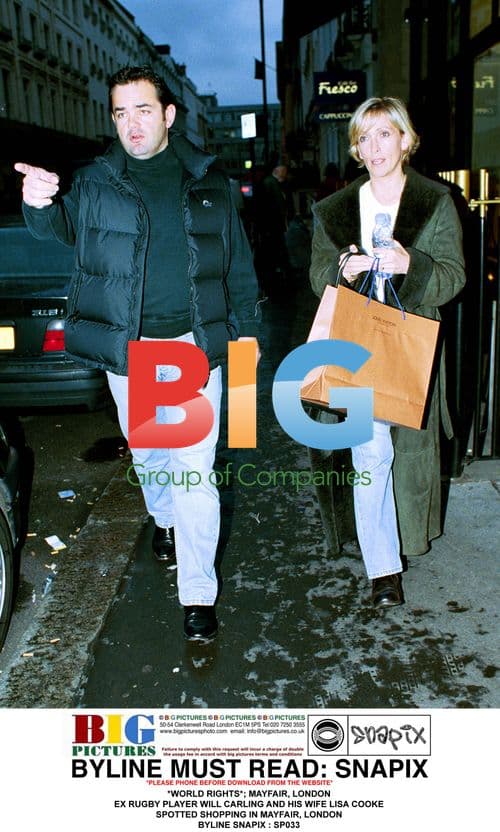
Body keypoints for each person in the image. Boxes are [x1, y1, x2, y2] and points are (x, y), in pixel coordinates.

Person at [15, 65, 260, 642]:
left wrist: (245, 346)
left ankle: (198, 595)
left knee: (195, 469)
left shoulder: (208, 180)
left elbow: (239, 268)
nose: (131, 124)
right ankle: (164, 519)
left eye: (143, 110)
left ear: (169, 115)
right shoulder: (96, 181)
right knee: (151, 455)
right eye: (120, 113)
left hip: (195, 346)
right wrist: (40, 202)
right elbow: (57, 226)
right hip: (135, 353)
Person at [309, 96, 466, 608]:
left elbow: (454, 276)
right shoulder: (334, 211)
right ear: (356, 147)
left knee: (413, 451)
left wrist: (410, 265)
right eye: (364, 137)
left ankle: (406, 537)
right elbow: (316, 276)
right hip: (355, 342)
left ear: (405, 139)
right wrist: (340, 271)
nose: (374, 147)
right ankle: (383, 569)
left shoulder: (435, 202)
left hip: (411, 340)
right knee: (369, 452)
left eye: (384, 134)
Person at [253, 161, 291, 297]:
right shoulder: (272, 184)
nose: (285, 174)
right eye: (284, 171)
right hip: (272, 227)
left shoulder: (269, 183)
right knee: (274, 253)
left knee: (271, 253)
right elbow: (278, 207)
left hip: (269, 227)